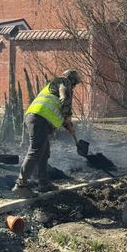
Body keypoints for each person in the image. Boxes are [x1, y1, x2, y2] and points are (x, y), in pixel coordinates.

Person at [13, 69, 82, 198]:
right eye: (75, 84)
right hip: (39, 118)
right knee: (36, 150)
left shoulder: (54, 85)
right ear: (72, 81)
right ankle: (20, 186)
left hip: (37, 118)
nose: (74, 87)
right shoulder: (63, 82)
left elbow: (56, 110)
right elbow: (65, 97)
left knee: (44, 152)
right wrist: (68, 116)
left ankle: (43, 183)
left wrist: (68, 125)